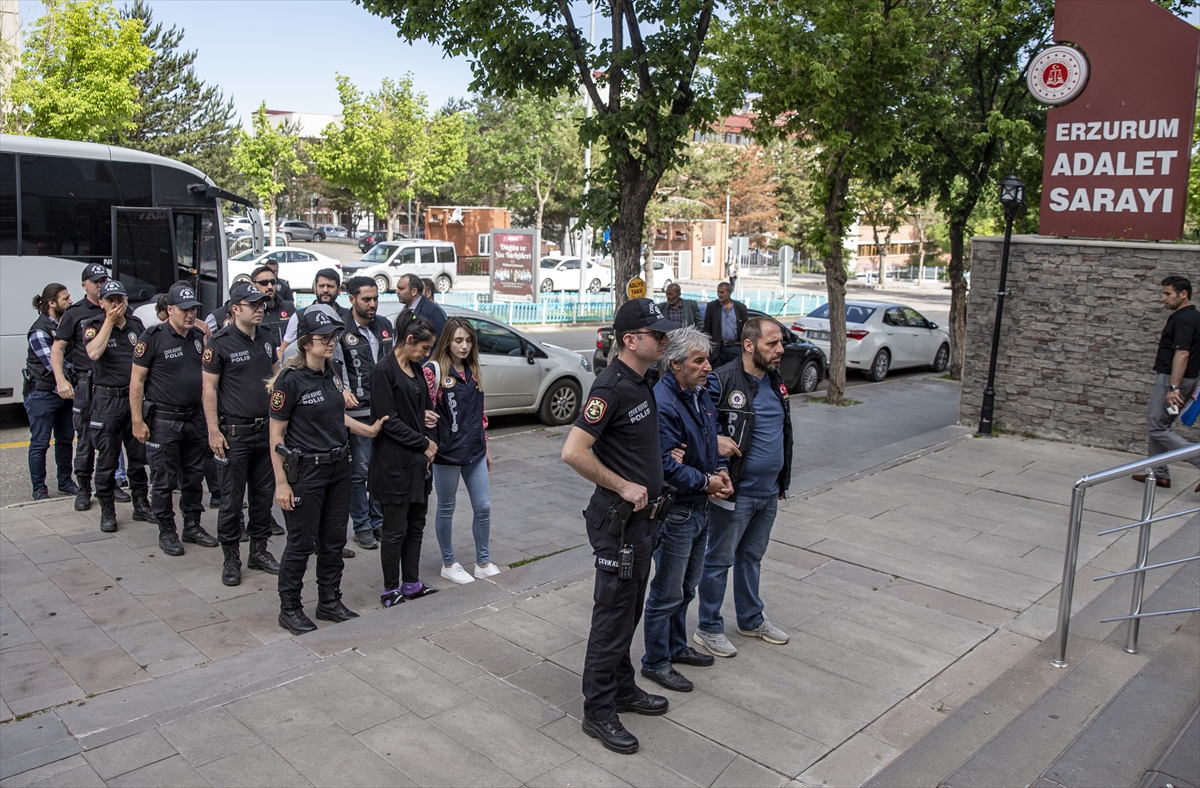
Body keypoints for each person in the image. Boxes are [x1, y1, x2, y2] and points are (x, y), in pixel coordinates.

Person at [560, 298, 678, 755]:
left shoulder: (641, 381)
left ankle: (623, 688)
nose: (664, 340)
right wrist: (624, 485)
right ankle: (598, 711)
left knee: (629, 613)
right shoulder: (610, 387)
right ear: (631, 341)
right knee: (611, 619)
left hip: (643, 526)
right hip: (619, 527)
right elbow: (573, 452)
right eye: (657, 335)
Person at [269, 308, 387, 634]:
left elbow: (336, 417)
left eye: (333, 336)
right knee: (301, 543)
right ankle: (289, 607)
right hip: (305, 473)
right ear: (306, 343)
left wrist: (369, 430)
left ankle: (329, 600)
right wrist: (282, 484)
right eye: (324, 338)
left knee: (333, 541)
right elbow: (275, 436)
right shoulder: (289, 382)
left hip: (338, 469)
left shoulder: (332, 372)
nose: (331, 342)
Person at [641, 326, 734, 693]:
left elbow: (713, 439)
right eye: (699, 361)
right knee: (666, 592)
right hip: (677, 510)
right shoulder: (664, 402)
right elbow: (664, 465)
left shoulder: (698, 393)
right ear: (675, 364)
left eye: (707, 359)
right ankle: (656, 661)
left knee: (687, 588)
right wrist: (706, 480)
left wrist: (721, 472)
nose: (708, 366)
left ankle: (676, 647)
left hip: (699, 507)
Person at [694, 317, 793, 658]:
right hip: (735, 492)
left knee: (751, 557)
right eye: (772, 344)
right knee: (718, 560)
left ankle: (751, 619)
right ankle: (708, 627)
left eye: (780, 343)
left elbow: (781, 434)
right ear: (749, 346)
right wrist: (715, 442)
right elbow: (698, 422)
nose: (780, 350)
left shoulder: (777, 381)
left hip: (768, 492)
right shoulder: (722, 380)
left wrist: (780, 480)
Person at [130, 283, 218, 555]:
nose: (190, 315)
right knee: (164, 480)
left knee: (193, 478)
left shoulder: (198, 337)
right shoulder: (152, 337)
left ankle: (192, 525)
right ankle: (167, 530)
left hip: (194, 420)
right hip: (164, 421)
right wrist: (137, 421)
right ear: (169, 310)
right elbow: (136, 382)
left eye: (193, 309)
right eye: (184, 310)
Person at [204, 282, 281, 586]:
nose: (260, 308)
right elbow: (208, 389)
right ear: (235, 309)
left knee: (263, 497)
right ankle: (231, 557)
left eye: (262, 303)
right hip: (233, 433)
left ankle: (259, 551)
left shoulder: (265, 335)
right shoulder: (219, 343)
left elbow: (275, 371)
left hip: (264, 430)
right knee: (232, 500)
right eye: (253, 304)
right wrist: (213, 431)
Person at [370, 312, 441, 607]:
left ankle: (411, 582)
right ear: (409, 340)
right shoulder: (383, 371)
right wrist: (424, 442)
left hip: (418, 465)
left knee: (415, 526)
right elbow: (388, 421)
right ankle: (390, 589)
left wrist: (426, 426)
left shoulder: (415, 369)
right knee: (394, 530)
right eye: (424, 348)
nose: (426, 354)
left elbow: (422, 411)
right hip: (394, 465)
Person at [425, 316, 500, 585]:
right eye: (458, 340)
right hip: (446, 452)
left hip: (475, 450)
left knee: (483, 506)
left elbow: (480, 412)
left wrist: (486, 446)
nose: (464, 346)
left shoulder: (473, 371)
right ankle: (448, 563)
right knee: (446, 507)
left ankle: (483, 562)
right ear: (447, 341)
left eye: (469, 340)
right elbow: (421, 406)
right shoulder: (433, 371)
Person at [82, 280, 152, 533]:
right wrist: (109, 323)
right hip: (107, 401)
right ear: (101, 303)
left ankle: (141, 504)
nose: (116, 305)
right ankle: (107, 510)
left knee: (138, 457)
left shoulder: (136, 325)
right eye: (110, 300)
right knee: (108, 458)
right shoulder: (93, 326)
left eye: (120, 300)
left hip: (133, 399)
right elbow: (93, 353)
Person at [340, 276, 394, 550]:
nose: (372, 304)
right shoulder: (341, 329)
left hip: (383, 409)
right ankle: (361, 525)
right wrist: (342, 391)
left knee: (380, 470)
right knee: (360, 471)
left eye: (375, 299)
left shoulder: (384, 326)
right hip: (358, 412)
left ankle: (378, 521)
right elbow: (333, 368)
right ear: (352, 299)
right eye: (366, 299)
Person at [1134, 275, 1200, 492]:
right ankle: (1158, 473)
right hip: (1185, 380)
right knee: (1160, 425)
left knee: (1157, 426)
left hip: (1173, 380)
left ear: (1184, 294)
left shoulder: (1183, 319)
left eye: (1167, 294)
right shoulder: (1194, 317)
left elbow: (1182, 354)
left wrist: (1173, 387)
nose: (1163, 298)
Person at [51, 263, 109, 511]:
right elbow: (58, 349)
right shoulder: (75, 313)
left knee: (111, 441)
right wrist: (61, 380)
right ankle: (84, 488)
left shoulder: (115, 308)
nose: (100, 284)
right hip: (87, 384)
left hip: (112, 385)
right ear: (84, 285)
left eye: (103, 280)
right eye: (95, 281)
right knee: (85, 440)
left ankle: (109, 486)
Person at [25, 283, 77, 501]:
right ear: (51, 303)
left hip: (64, 394)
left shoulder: (66, 324)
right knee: (40, 443)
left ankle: (65, 482)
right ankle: (39, 489)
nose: (70, 301)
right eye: (65, 298)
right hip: (43, 394)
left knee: (65, 440)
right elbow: (55, 365)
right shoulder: (39, 330)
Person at [279, 268, 345, 360]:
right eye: (321, 286)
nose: (325, 290)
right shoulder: (300, 317)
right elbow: (283, 350)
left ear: (339, 290)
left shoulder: (346, 317)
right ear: (315, 289)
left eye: (330, 286)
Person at [251, 266, 297, 355]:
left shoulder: (288, 307)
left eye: (273, 282)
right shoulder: (249, 311)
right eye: (264, 283)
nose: (270, 286)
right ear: (253, 285)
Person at [702, 282, 748, 368]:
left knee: (735, 373)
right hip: (718, 349)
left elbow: (746, 329)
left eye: (722, 292)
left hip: (735, 347)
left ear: (729, 292)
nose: (719, 295)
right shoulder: (712, 306)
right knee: (717, 374)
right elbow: (706, 329)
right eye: (718, 292)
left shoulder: (740, 308)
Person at [397, 273, 447, 339]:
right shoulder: (405, 309)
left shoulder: (432, 311)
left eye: (401, 289)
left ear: (414, 291)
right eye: (397, 288)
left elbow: (440, 341)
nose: (397, 291)